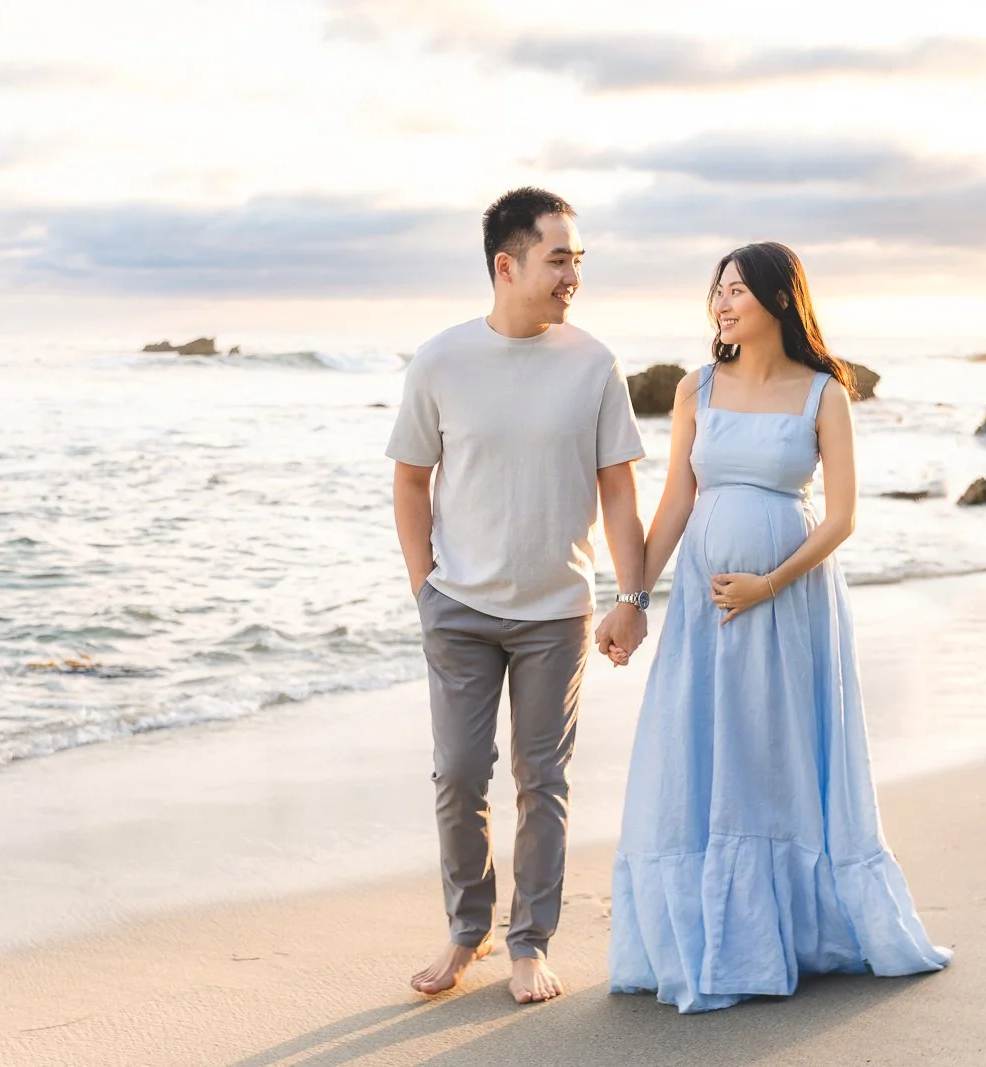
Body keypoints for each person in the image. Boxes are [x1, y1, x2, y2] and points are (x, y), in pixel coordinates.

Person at [605, 242, 951, 1013]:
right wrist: (632, 595)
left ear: (778, 300)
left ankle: (790, 932)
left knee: (775, 750)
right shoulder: (697, 388)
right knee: (702, 747)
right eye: (717, 291)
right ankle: (709, 933)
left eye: (737, 290)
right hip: (704, 608)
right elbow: (675, 503)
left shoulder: (824, 393)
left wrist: (769, 581)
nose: (722, 303)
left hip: (790, 602)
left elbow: (841, 517)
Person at [387, 187, 651, 1004]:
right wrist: (424, 585)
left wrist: (632, 595)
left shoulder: (595, 364)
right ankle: (470, 930)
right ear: (507, 265)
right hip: (459, 609)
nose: (573, 272)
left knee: (544, 779)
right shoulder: (440, 361)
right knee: (461, 773)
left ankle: (530, 939)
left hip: (554, 613)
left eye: (578, 257)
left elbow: (618, 493)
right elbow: (409, 477)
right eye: (558, 257)